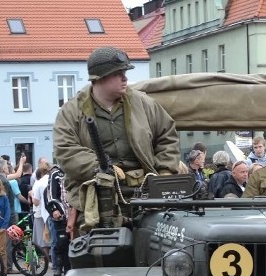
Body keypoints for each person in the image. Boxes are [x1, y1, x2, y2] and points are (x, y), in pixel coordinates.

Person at [54, 46, 181, 233]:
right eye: (118, 73)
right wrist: (100, 167)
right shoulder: (72, 111)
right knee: (95, 253)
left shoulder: (144, 104)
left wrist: (164, 173)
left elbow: (167, 136)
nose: (125, 78)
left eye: (125, 72)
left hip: (145, 195)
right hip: (96, 197)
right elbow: (65, 150)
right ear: (100, 78)